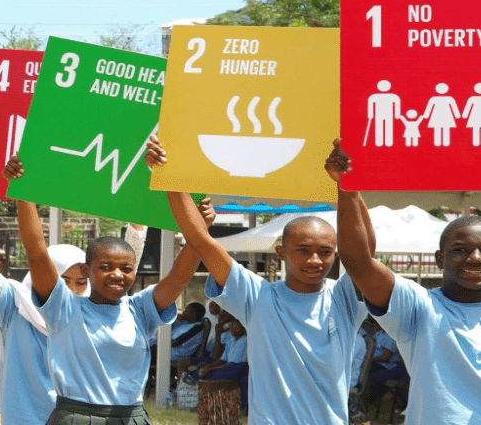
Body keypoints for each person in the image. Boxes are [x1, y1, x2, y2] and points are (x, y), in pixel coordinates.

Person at [148, 135, 371, 425]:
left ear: (335, 254)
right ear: (280, 253)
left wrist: (348, 186)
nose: (314, 260)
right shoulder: (258, 296)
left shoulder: (344, 297)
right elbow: (202, 242)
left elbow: (364, 256)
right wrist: (169, 177)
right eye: (302, 251)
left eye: (325, 252)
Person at [328, 138, 481, 423]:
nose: (476, 258)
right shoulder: (417, 307)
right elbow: (359, 263)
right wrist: (346, 187)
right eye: (461, 250)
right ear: (439, 259)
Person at [0, 165, 171, 425]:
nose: (70, 290)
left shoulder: (89, 314)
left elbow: (126, 260)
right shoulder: (16, 304)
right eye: (62, 281)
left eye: (80, 282)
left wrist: (138, 217)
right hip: (26, 418)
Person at [4, 155, 200, 425]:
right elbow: (37, 254)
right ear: (87, 270)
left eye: (126, 268)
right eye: (106, 266)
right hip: (75, 418)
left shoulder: (141, 309)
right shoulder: (64, 307)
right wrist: (23, 193)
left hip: (129, 417)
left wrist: (199, 230)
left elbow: (178, 278)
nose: (117, 275)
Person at [170, 303, 207, 378]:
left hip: (175, 354)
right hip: (166, 349)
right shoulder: (184, 323)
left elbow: (174, 343)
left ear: (193, 314)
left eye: (186, 310)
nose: (183, 313)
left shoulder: (196, 328)